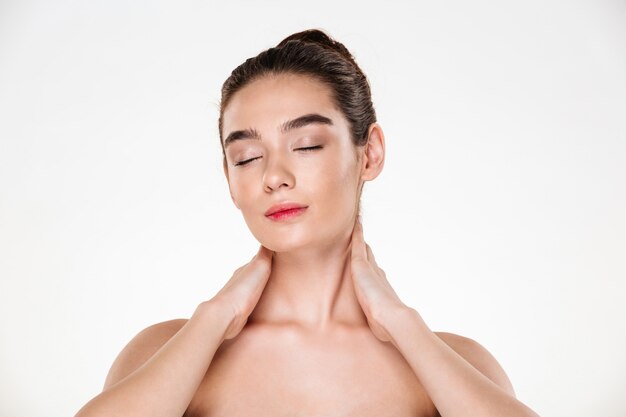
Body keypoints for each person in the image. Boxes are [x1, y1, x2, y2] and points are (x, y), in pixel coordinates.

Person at [75, 29, 540, 417]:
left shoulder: (457, 366)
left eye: (307, 146)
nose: (274, 177)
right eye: (247, 157)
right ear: (229, 179)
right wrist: (212, 318)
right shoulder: (166, 353)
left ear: (370, 153)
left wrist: (403, 325)